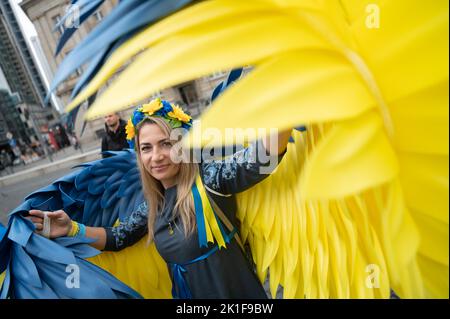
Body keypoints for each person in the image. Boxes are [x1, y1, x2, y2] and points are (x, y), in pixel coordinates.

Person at [27, 98, 291, 299]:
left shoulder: (210, 179)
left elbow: (261, 159)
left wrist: (291, 104)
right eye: (146, 148)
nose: (157, 156)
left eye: (166, 143)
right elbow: (119, 237)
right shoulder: (153, 206)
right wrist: (71, 228)